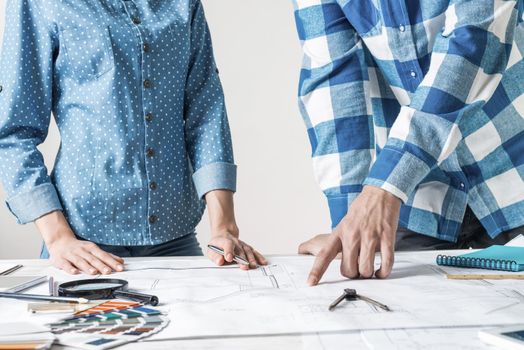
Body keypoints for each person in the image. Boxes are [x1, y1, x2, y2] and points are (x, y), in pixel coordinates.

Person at [0, 0, 266, 275]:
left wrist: (224, 228)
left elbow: (206, 108)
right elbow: (13, 133)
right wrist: (57, 237)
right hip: (82, 239)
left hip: (174, 236)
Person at [292, 0, 524, 284]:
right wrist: (351, 221)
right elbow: (334, 80)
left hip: (514, 171)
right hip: (418, 198)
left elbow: (473, 43)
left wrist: (386, 184)